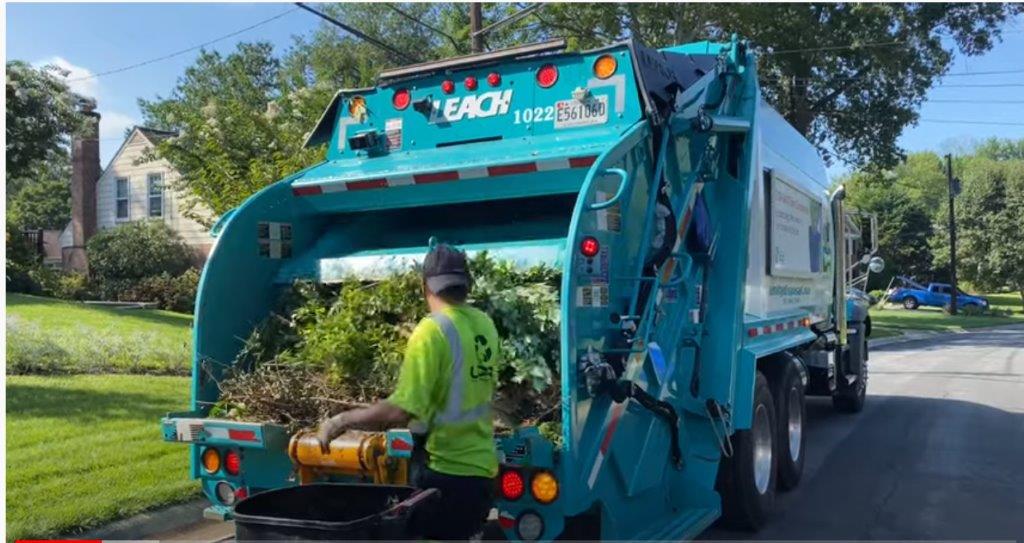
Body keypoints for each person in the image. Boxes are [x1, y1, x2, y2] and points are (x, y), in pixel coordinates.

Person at [316, 243, 499, 541]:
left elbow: (402, 410)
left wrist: (341, 421)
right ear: (468, 283)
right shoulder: (485, 325)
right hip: (481, 473)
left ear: (424, 285)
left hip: (445, 474)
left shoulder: (431, 331)